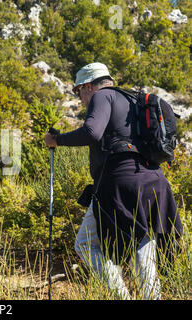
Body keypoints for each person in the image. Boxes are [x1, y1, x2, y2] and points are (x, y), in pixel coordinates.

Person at [44, 62, 183, 299]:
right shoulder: (133, 99)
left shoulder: (102, 96)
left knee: (86, 244)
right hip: (154, 183)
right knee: (142, 248)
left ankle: (121, 296)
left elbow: (91, 132)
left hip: (121, 184)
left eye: (79, 92)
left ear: (88, 86)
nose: (80, 98)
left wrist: (57, 140)